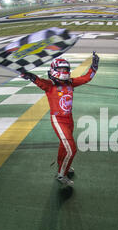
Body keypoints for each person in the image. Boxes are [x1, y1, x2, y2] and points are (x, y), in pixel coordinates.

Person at [21, 52, 100, 187]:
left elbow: (87, 78)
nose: (64, 72)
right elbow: (39, 81)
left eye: (66, 69)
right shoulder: (49, 85)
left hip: (69, 119)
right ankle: (61, 174)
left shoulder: (70, 82)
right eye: (60, 69)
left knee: (65, 145)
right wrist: (30, 76)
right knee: (71, 149)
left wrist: (94, 67)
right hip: (58, 120)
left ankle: (62, 164)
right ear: (53, 70)